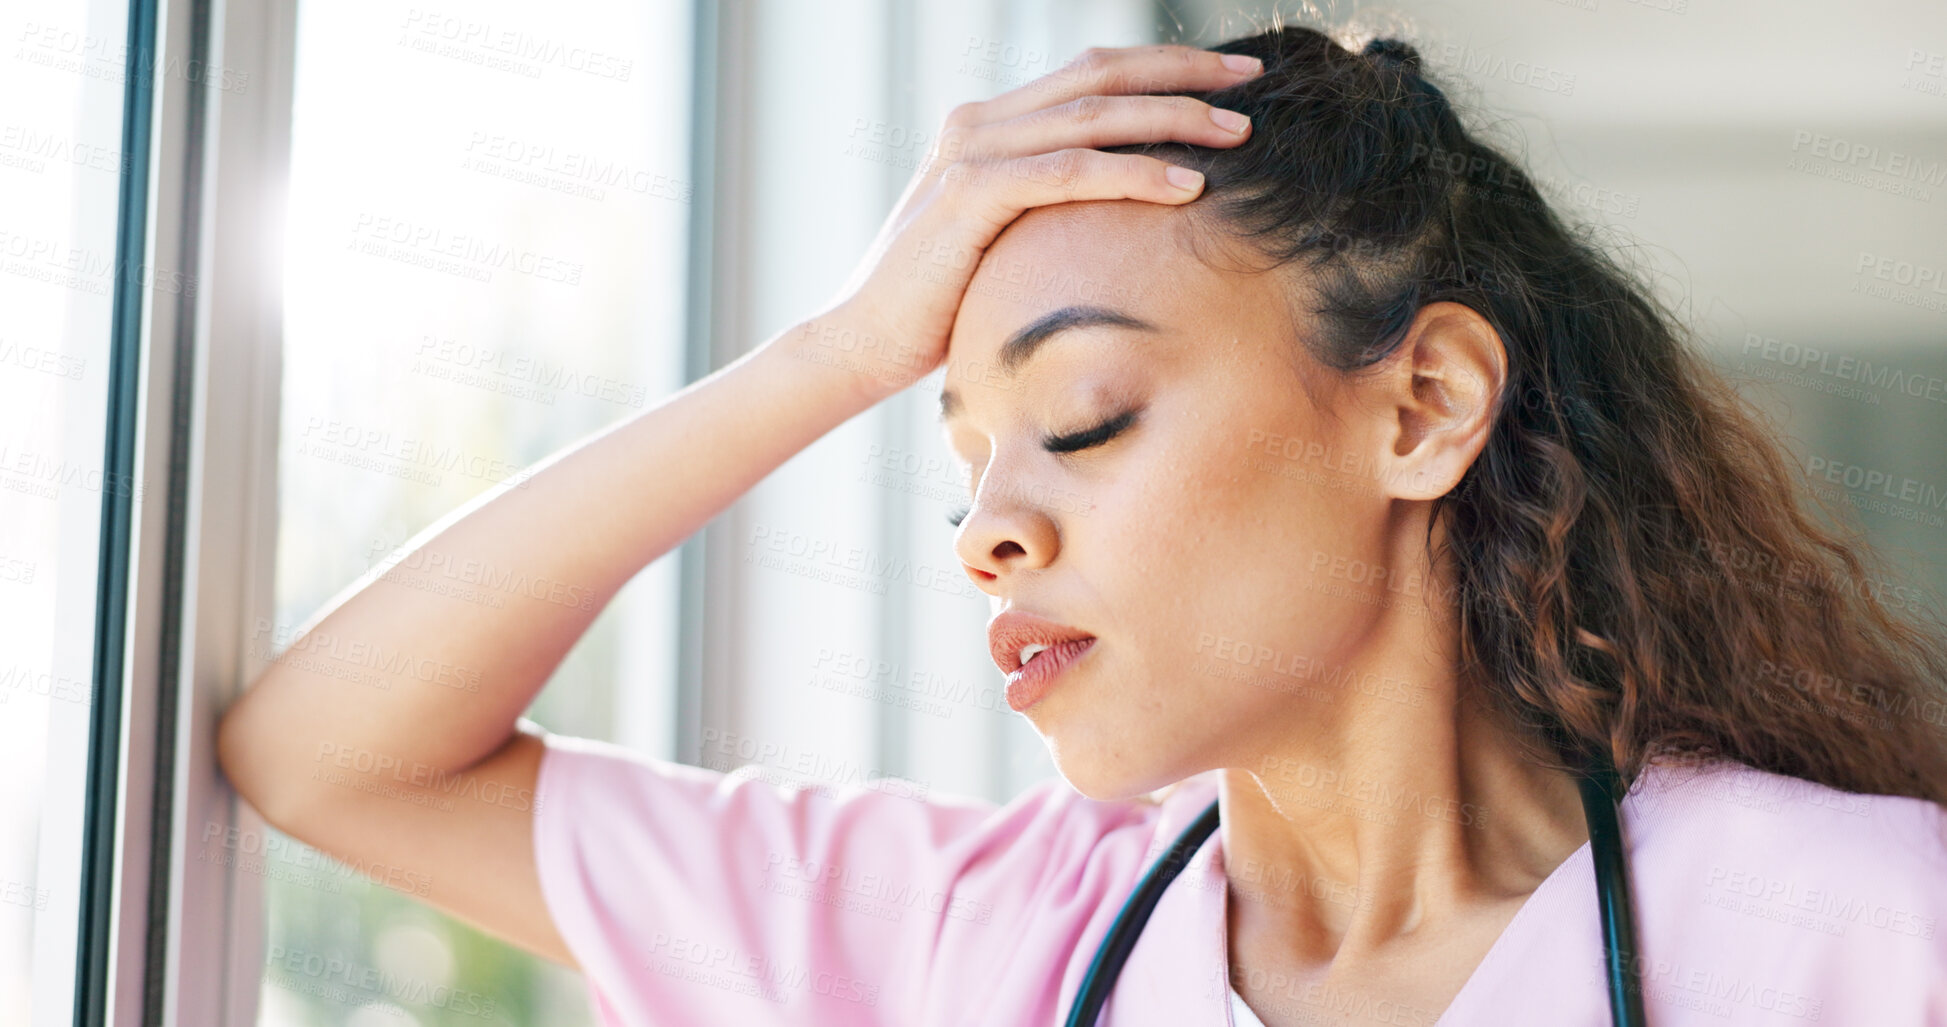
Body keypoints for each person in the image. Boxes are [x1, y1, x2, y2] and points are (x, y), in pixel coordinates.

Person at [217, 24, 1947, 1027]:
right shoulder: (986, 943)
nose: (987, 535)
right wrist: (835, 352)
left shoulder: (1863, 935)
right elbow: (336, 757)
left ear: (1420, 410)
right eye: (963, 461)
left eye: (1085, 421)